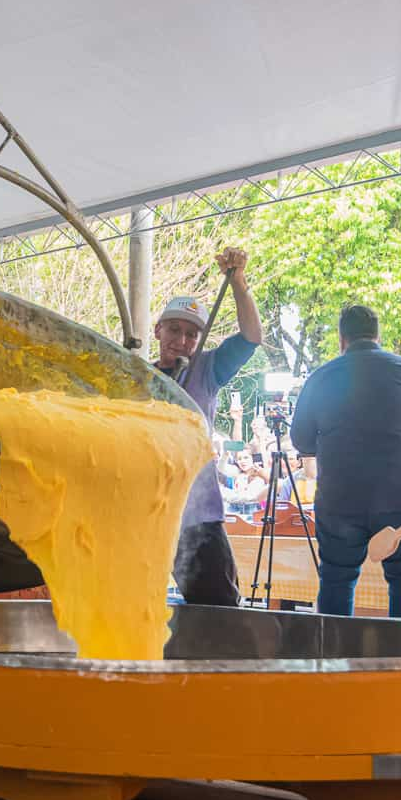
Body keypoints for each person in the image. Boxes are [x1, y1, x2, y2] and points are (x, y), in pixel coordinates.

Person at [290, 305, 401, 618]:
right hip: (400, 496)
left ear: (341, 338)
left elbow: (301, 441)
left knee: (337, 578)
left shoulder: (321, 378)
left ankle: (333, 657)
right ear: (378, 335)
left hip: (340, 499)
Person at [151, 247, 263, 606]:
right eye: (174, 330)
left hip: (197, 514)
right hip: (147, 509)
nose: (181, 341)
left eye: (190, 335)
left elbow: (250, 338)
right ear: (158, 330)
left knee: (217, 606)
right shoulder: (138, 376)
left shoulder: (208, 369)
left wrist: (239, 283)